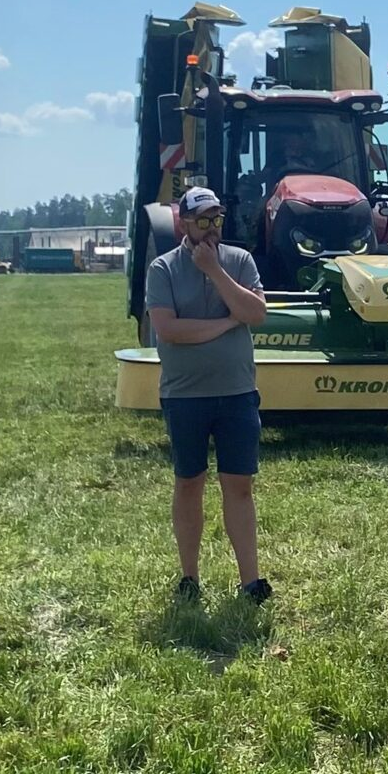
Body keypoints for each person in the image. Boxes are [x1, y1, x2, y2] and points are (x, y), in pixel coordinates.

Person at [146, 186, 274, 604]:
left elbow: (256, 314)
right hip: (185, 397)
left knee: (239, 485)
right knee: (189, 483)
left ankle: (250, 581)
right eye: (202, 220)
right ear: (183, 223)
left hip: (237, 393)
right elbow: (169, 331)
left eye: (216, 219)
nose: (211, 228)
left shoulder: (239, 261)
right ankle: (189, 578)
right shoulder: (163, 269)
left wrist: (217, 273)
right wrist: (224, 323)